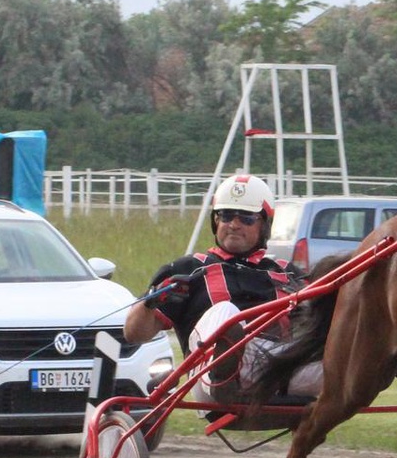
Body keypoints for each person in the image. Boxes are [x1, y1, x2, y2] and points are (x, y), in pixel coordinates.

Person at [123, 174, 319, 406]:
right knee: (226, 312)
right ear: (215, 221)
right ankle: (227, 387)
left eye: (246, 218)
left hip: (279, 371)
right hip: (211, 375)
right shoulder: (189, 269)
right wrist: (150, 302)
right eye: (225, 215)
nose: (234, 224)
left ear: (264, 225)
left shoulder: (288, 272)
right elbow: (133, 334)